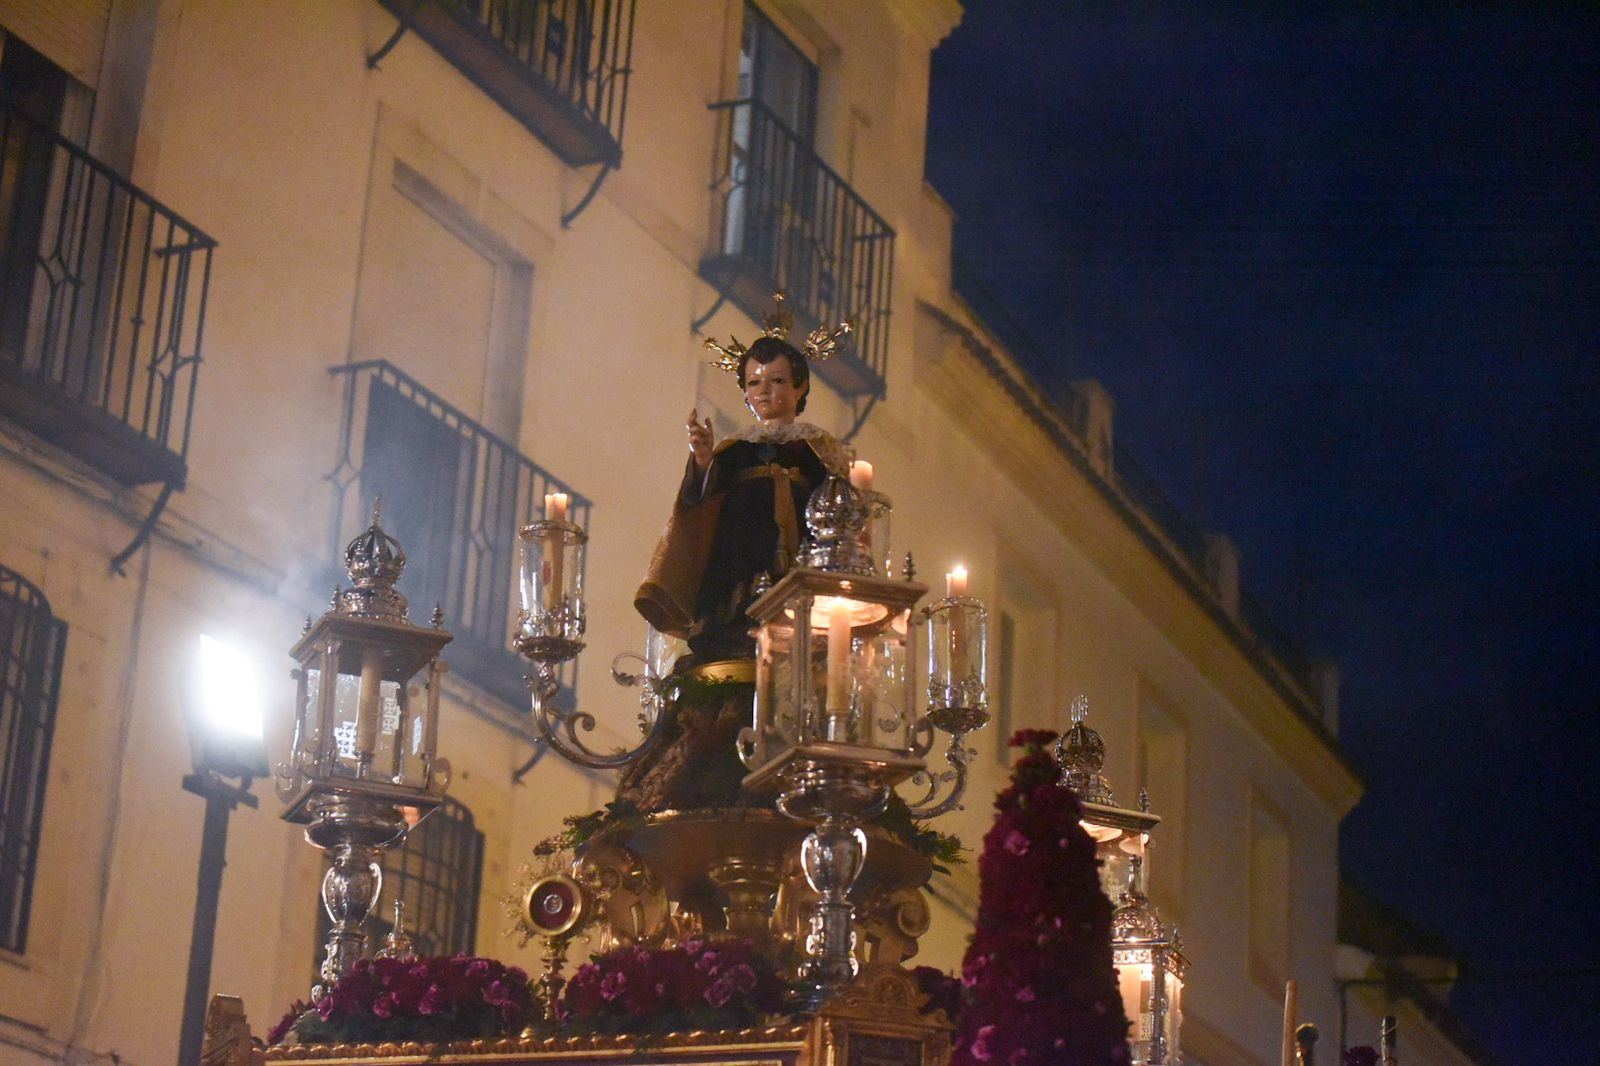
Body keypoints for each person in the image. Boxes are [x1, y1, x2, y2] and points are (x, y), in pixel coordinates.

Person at [635, 333, 850, 664]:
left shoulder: (816, 446)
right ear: (746, 394)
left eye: (777, 380)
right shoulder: (735, 449)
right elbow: (701, 502)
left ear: (800, 388)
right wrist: (704, 460)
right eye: (754, 382)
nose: (764, 390)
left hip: (800, 551)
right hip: (740, 550)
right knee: (736, 617)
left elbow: (839, 506)